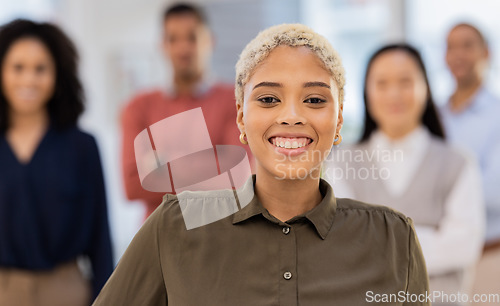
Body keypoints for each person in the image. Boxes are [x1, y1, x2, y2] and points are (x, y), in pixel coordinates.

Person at [93, 24, 429, 306]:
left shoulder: (393, 238)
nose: (292, 116)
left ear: (338, 120)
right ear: (241, 117)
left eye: (314, 99)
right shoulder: (174, 227)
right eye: (269, 99)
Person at [324, 44, 484, 305]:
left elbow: (464, 246)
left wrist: (375, 245)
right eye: (382, 83)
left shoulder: (458, 163)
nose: (394, 94)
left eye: (406, 81)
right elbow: (342, 247)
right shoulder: (342, 161)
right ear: (367, 92)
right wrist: (430, 240)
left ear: (426, 87)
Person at [0, 19, 113, 305]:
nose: (29, 80)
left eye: (41, 68)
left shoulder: (83, 147)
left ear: (58, 74)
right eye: (18, 67)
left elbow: (100, 239)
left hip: (67, 291)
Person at [121, 3, 252, 219]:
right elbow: (133, 184)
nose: (183, 48)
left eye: (192, 37)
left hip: (219, 238)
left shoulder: (235, 102)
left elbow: (238, 177)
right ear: (162, 45)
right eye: (173, 39)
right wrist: (213, 164)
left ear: (210, 41)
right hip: (158, 243)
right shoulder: (138, 107)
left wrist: (162, 165)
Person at [441, 23, 500, 303]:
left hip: (489, 257)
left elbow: (493, 193)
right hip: (438, 259)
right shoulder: (434, 118)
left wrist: (434, 191)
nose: (457, 54)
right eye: (451, 46)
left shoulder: (497, 115)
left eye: (467, 45)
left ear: (486, 53)